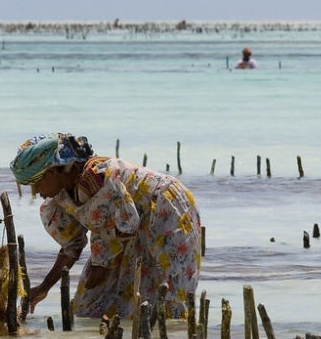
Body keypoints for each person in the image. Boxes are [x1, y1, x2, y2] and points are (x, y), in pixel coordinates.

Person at [10, 133, 201, 319]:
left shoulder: (97, 178)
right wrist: (43, 288)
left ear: (52, 172)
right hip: (122, 227)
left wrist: (104, 265)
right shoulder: (61, 196)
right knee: (90, 302)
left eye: (36, 184)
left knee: (169, 289)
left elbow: (126, 223)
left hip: (163, 207)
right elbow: (72, 247)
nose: (35, 192)